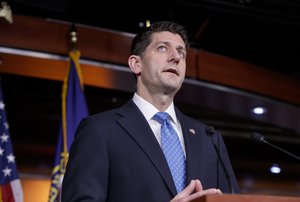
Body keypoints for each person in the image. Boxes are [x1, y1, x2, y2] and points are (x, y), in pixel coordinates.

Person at [61, 21, 239, 202]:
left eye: (181, 53)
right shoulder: (100, 130)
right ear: (136, 64)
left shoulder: (209, 138)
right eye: (163, 48)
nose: (175, 57)